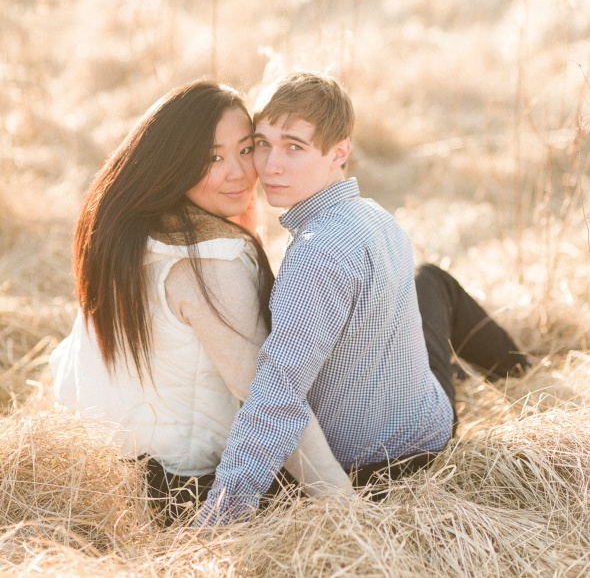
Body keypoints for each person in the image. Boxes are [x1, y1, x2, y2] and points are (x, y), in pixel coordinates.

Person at [197, 71, 529, 525]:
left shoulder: (316, 254)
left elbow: (277, 395)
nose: (270, 165)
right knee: (430, 280)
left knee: (428, 282)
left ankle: (519, 374)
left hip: (378, 464)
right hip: (419, 432)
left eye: (294, 146)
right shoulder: (374, 216)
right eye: (262, 143)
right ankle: (516, 368)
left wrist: (217, 518)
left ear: (340, 153)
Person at [50, 80, 352, 523]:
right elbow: (268, 398)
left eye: (246, 149)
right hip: (186, 489)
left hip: (110, 470)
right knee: (430, 287)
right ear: (174, 164)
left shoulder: (133, 233)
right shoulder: (209, 263)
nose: (240, 173)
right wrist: (346, 508)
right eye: (212, 158)